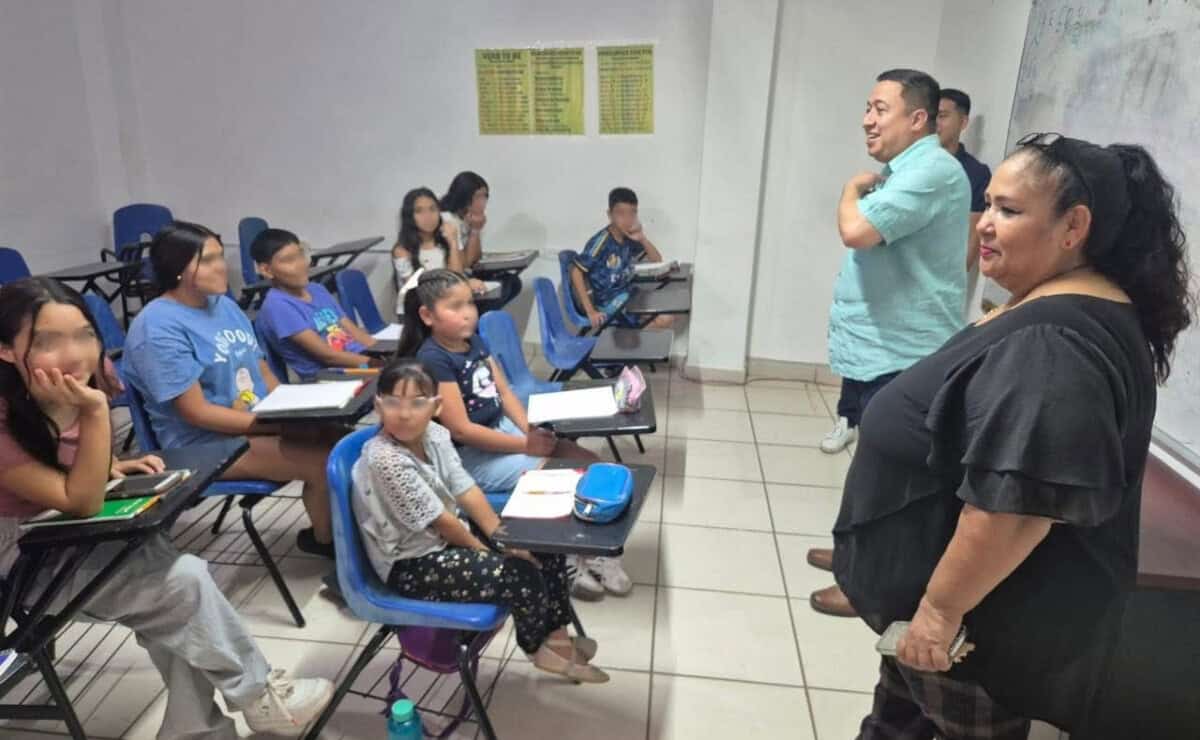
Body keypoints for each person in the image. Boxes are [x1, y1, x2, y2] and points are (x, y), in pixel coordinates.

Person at [836, 134, 1192, 738]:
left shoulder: (1054, 346)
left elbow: (1014, 511)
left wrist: (938, 615)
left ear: (1074, 226)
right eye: (989, 205)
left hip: (973, 640)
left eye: (1010, 210)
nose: (986, 225)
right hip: (951, 626)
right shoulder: (1057, 310)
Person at [0, 277, 334, 739]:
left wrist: (114, 462)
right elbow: (79, 498)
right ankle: (259, 696)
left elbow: (62, 466)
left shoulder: (62, 386)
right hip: (17, 566)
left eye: (83, 335)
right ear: (4, 349)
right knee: (183, 583)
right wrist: (97, 414)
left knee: (174, 589)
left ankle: (196, 731)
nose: (74, 353)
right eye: (47, 341)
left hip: (58, 534)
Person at [811, 68, 970, 619]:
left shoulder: (931, 172)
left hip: (905, 351)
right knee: (868, 460)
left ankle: (870, 585)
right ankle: (852, 555)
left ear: (917, 118)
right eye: (868, 107)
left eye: (880, 109)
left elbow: (856, 231)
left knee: (894, 476)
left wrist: (850, 190)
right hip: (878, 345)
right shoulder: (903, 171)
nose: (867, 120)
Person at [353, 358, 607, 682]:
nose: (404, 413)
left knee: (543, 543)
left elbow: (466, 489)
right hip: (411, 563)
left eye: (417, 402)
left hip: (447, 537)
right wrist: (490, 552)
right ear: (378, 404)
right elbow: (443, 522)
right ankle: (534, 647)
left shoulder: (435, 434)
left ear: (435, 406)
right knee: (520, 574)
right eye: (392, 402)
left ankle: (555, 635)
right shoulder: (385, 459)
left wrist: (502, 538)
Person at [397, 269, 629, 600]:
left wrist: (530, 431)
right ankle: (567, 559)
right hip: (467, 457)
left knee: (589, 461)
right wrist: (527, 445)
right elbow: (462, 429)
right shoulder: (433, 358)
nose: (467, 313)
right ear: (427, 315)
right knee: (563, 478)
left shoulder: (472, 341)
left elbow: (504, 392)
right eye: (455, 306)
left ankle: (597, 553)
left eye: (470, 303)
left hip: (500, 432)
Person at [123, 221, 336, 558]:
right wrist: (276, 424)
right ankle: (329, 545)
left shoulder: (222, 305)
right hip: (203, 445)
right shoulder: (157, 327)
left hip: (255, 423)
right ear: (177, 270)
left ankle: (345, 534)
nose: (221, 266)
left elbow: (263, 370)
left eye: (220, 256)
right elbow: (196, 412)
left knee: (344, 438)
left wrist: (295, 410)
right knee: (327, 459)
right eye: (207, 260)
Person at [251, 227, 380, 380]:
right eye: (289, 260)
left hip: (360, 363)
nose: (302, 264)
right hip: (331, 376)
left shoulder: (317, 289)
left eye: (300, 255)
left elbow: (353, 330)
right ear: (266, 270)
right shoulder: (277, 306)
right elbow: (328, 357)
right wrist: (378, 365)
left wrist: (382, 352)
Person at [570, 187, 673, 330]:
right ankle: (632, 340)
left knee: (669, 313)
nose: (627, 219)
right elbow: (576, 271)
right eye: (621, 214)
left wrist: (642, 238)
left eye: (632, 213)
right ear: (610, 215)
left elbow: (657, 261)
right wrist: (591, 311)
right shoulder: (600, 242)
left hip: (628, 294)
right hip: (609, 303)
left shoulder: (629, 238)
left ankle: (634, 340)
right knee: (662, 320)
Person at [936, 88, 993, 319]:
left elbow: (973, 234)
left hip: (941, 280)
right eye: (932, 116)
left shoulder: (976, 173)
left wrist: (952, 286)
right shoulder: (911, 164)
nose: (935, 123)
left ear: (963, 122)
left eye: (942, 115)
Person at [392, 187, 484, 316]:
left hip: (446, 308)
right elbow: (420, 291)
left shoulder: (444, 240)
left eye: (432, 209)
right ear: (409, 216)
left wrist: (453, 242)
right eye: (419, 211)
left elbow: (456, 277)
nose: (428, 216)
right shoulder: (402, 250)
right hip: (417, 312)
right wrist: (466, 284)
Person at [440, 171, 522, 313]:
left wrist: (476, 229)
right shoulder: (448, 220)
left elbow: (474, 258)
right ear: (463, 197)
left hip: (465, 274)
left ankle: (479, 323)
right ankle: (475, 324)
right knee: (502, 288)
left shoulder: (467, 218)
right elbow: (465, 263)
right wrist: (475, 231)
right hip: (448, 281)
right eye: (478, 196)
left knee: (512, 282)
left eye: (485, 196)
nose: (483, 202)